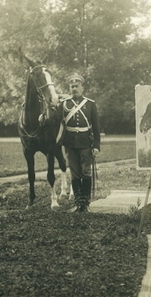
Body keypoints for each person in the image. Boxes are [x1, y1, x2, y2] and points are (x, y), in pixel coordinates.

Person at [56, 74, 100, 212]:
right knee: (75, 173)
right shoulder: (64, 104)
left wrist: (97, 146)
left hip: (86, 142)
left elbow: (96, 127)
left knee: (86, 172)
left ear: (82, 88)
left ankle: (85, 204)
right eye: (72, 86)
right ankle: (78, 202)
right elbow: (55, 120)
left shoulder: (90, 104)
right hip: (69, 143)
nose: (74, 88)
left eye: (77, 86)